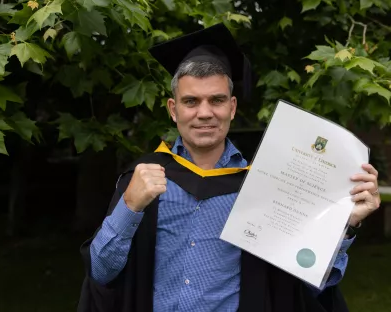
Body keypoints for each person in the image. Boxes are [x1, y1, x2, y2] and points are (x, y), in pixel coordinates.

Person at [77, 24, 381, 312]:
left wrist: (344, 226)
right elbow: (101, 273)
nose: (205, 113)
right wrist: (129, 207)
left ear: (232, 108)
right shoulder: (140, 179)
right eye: (191, 101)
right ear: (173, 110)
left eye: (217, 100)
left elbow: (306, 284)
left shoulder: (262, 186)